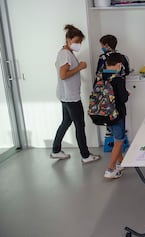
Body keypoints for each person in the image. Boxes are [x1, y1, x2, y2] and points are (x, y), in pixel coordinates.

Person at [50, 24, 101, 163]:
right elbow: (63, 75)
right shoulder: (65, 54)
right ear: (68, 39)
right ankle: (85, 156)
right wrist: (79, 67)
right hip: (70, 97)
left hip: (65, 95)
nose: (79, 44)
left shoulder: (65, 52)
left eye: (80, 42)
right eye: (77, 41)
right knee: (80, 125)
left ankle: (55, 150)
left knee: (66, 122)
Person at [101, 53, 130, 179]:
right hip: (117, 113)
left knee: (115, 136)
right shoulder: (118, 78)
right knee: (119, 140)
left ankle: (120, 162)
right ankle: (110, 169)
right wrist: (126, 93)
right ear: (119, 65)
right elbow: (123, 98)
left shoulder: (100, 76)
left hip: (105, 113)